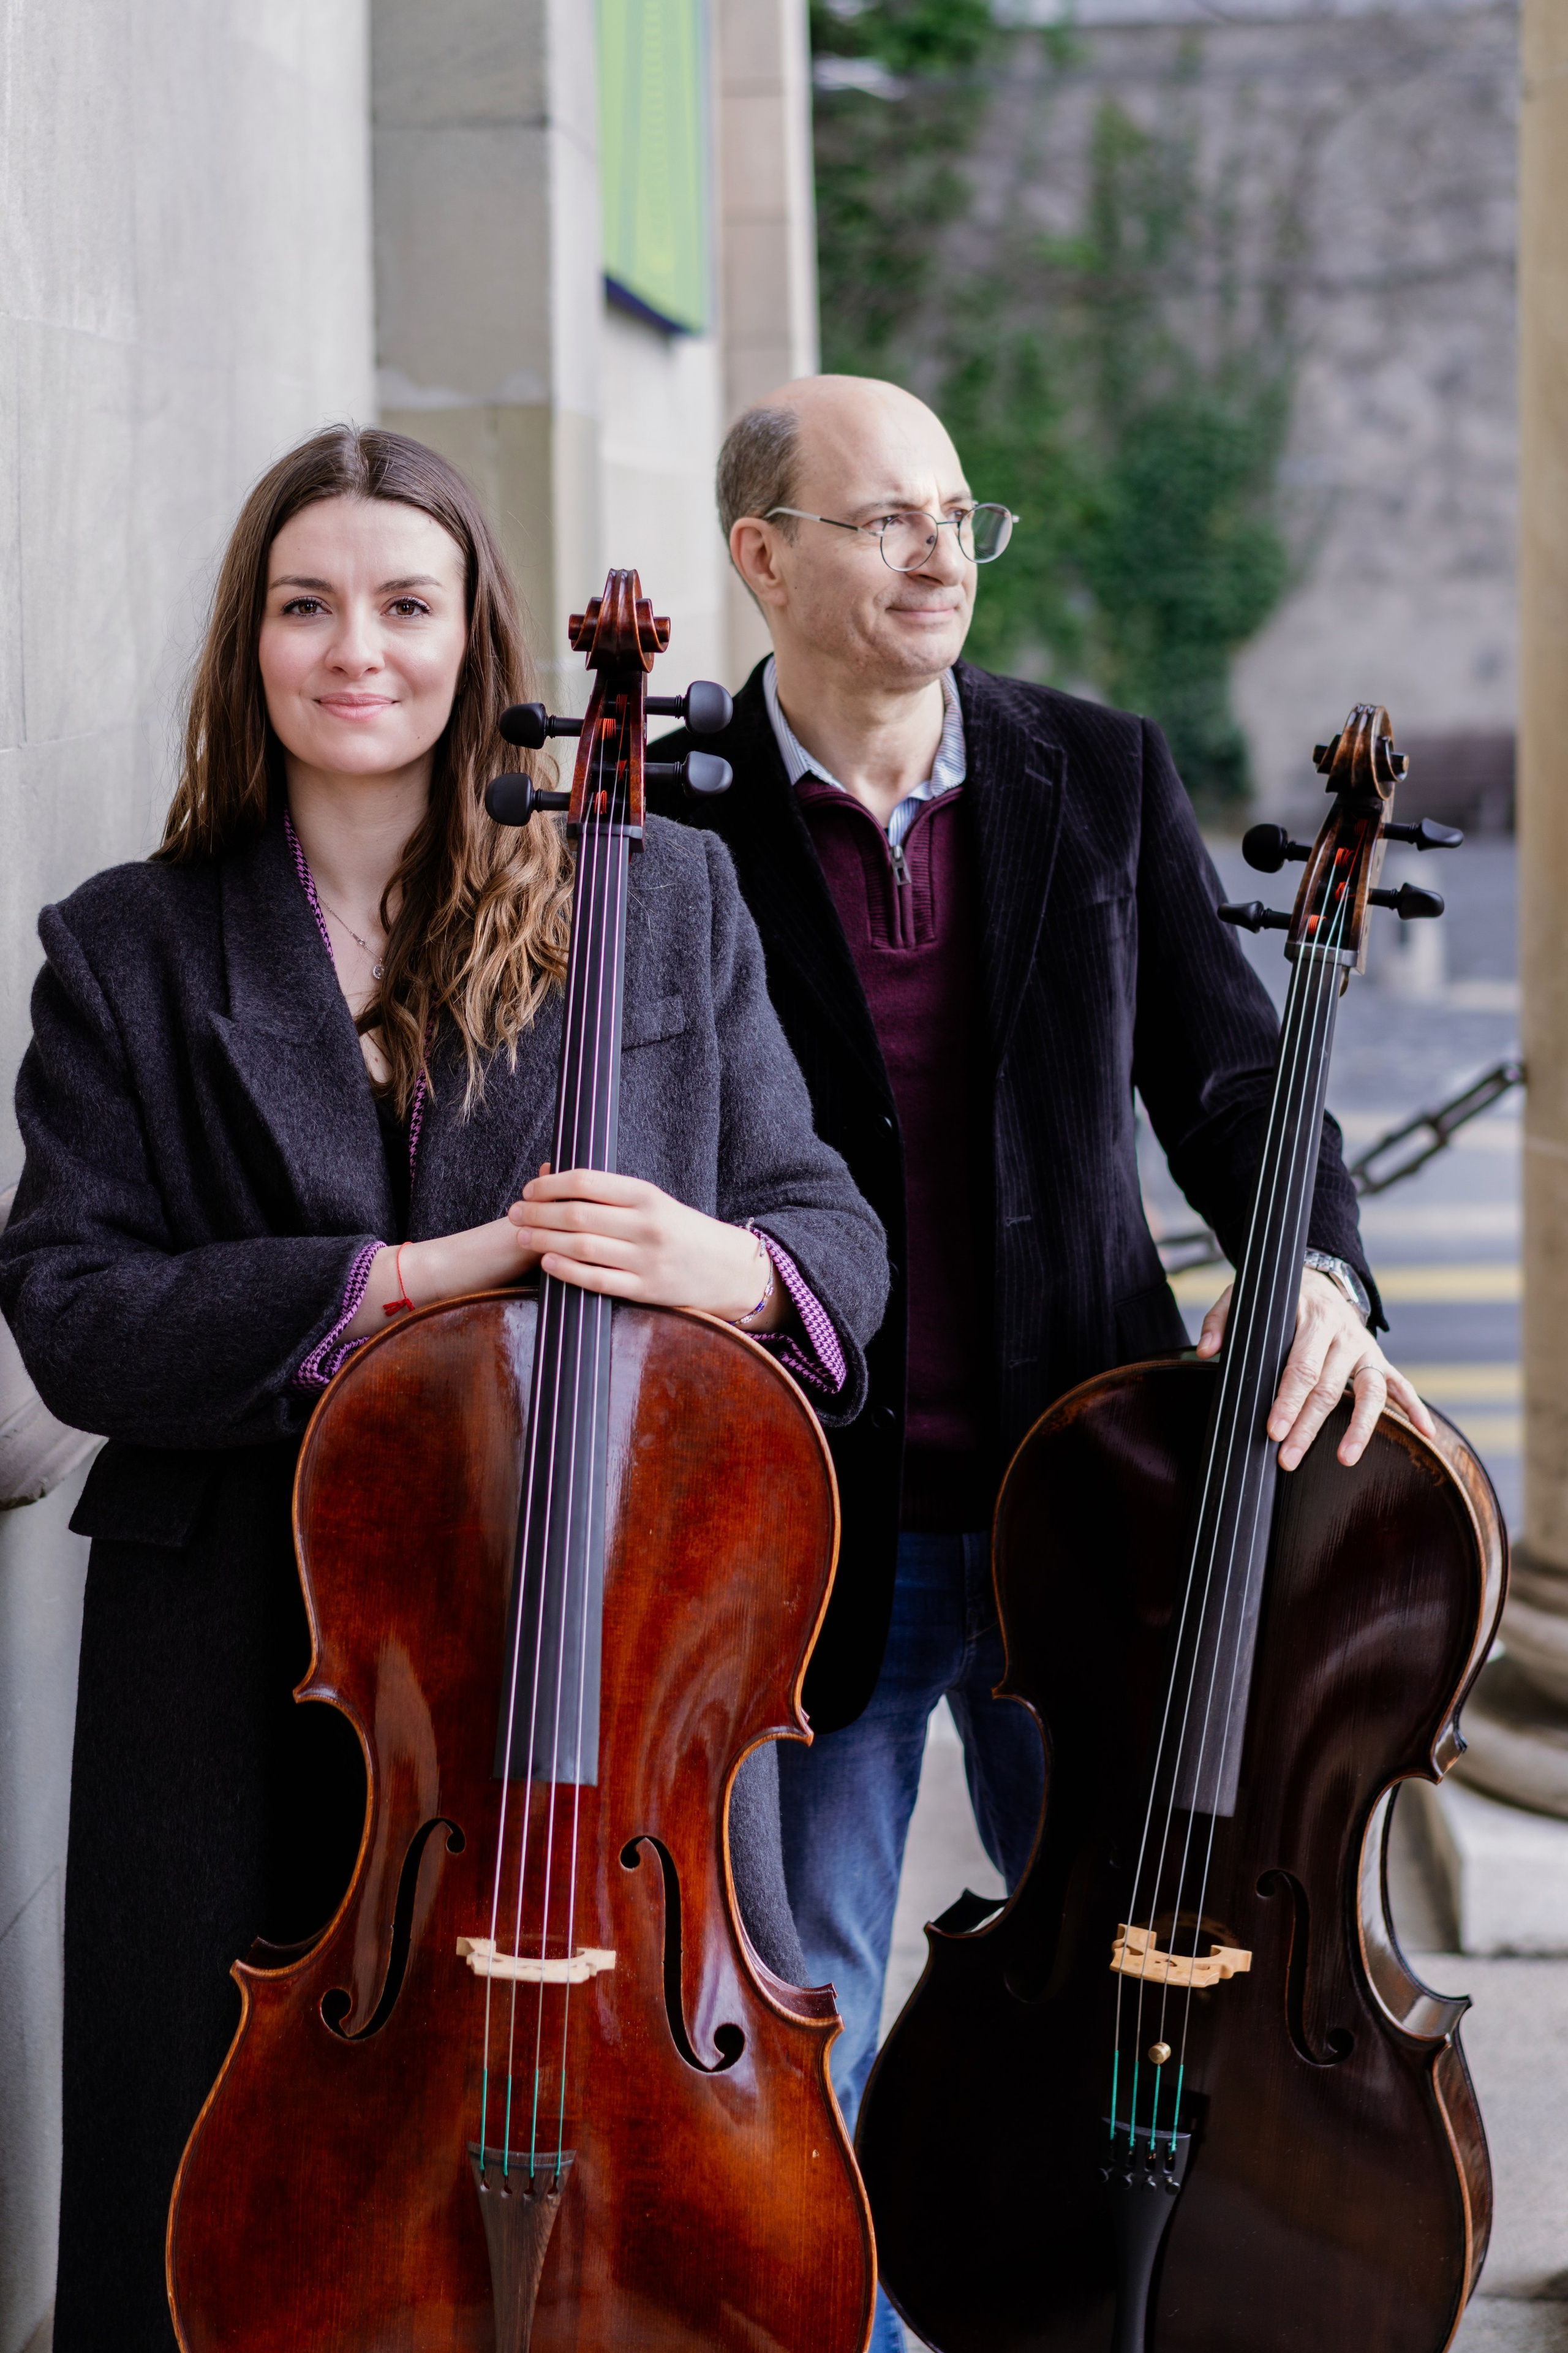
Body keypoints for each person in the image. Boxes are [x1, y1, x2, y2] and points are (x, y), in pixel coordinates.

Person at [0, 425, 888, 2352]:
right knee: (216, 2201)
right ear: (251, 644)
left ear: (478, 639)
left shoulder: (660, 903)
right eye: (306, 606)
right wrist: (400, 1283)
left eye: (406, 605)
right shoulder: (128, 950)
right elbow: (71, 1306)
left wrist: (731, 1263)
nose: (356, 651)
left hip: (581, 1674)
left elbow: (830, 1223)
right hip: (242, 1650)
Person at [647, 372, 1436, 2352]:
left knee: (1149, 1947)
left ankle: (1133, 2308)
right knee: (800, 1971)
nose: (940, 554)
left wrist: (1319, 1265)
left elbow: (1234, 1073)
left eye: (958, 515)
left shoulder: (1092, 769)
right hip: (801, 1520)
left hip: (1090, 1516)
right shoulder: (664, 820)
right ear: (765, 558)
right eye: (885, 518)